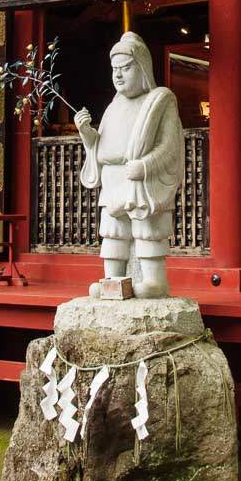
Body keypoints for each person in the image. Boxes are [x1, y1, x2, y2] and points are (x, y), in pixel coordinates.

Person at [74, 31, 184, 298]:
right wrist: (87, 134)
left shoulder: (160, 100)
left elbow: (170, 146)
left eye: (125, 68)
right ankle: (113, 280)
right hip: (113, 180)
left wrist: (145, 166)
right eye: (114, 70)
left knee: (147, 230)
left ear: (142, 67)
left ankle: (154, 281)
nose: (118, 76)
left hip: (140, 181)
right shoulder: (113, 106)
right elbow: (103, 147)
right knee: (114, 232)